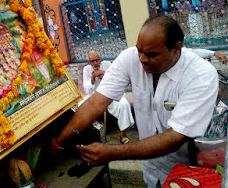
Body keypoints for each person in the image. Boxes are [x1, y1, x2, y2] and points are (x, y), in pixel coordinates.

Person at [52, 15, 219, 187]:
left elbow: (174, 139)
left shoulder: (201, 75)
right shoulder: (130, 58)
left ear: (176, 49)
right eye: (139, 50)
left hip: (190, 172)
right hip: (151, 170)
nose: (142, 59)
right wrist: (59, 142)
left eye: (151, 54)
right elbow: (96, 103)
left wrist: (112, 153)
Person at [79, 51, 134, 144]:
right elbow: (87, 90)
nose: (95, 63)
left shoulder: (107, 64)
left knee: (123, 104)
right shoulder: (86, 69)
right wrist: (92, 78)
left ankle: (122, 134)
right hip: (95, 96)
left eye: (97, 60)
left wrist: (104, 74)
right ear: (89, 63)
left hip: (111, 94)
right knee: (81, 106)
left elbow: (116, 80)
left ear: (100, 59)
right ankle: (91, 134)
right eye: (92, 61)